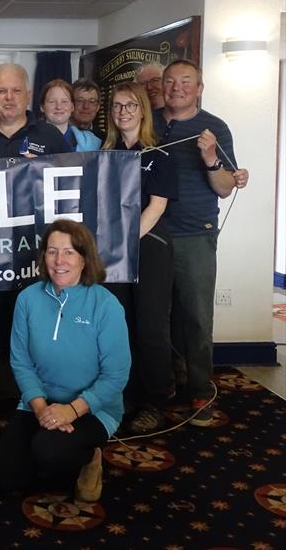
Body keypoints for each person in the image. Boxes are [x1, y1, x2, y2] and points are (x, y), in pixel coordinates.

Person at [0, 63, 68, 425]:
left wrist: (43, 171)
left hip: (34, 259)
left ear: (27, 95)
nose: (8, 98)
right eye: (1, 91)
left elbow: (71, 192)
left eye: (15, 91)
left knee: (35, 336)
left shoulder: (50, 137)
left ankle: (33, 404)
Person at [0, 220, 130, 501]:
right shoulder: (27, 299)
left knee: (49, 452)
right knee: (4, 479)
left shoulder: (106, 305)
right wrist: (41, 408)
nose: (59, 261)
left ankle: (91, 457)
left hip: (92, 409)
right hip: (38, 403)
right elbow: (21, 362)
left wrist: (71, 411)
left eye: (68, 252)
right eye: (52, 251)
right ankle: (45, 451)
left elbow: (116, 376)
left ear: (84, 258)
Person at [154, 59, 249, 425]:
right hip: (151, 233)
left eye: (186, 81)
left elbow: (226, 188)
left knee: (195, 317)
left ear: (199, 88)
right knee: (156, 318)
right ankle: (167, 385)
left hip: (195, 233)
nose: (177, 87)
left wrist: (210, 158)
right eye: (170, 81)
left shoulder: (215, 127)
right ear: (161, 86)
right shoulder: (150, 123)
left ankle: (200, 391)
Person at [101, 82, 178, 433]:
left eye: (131, 106)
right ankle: (126, 395)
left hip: (149, 249)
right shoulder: (104, 155)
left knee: (150, 328)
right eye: (117, 106)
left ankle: (157, 399)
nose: (123, 112)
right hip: (111, 255)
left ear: (143, 110)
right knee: (119, 328)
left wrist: (125, 240)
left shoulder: (160, 154)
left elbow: (157, 206)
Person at [39, 79, 101, 152]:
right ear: (42, 107)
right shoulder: (29, 138)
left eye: (64, 101)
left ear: (72, 107)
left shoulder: (93, 142)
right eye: (52, 101)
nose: (59, 107)